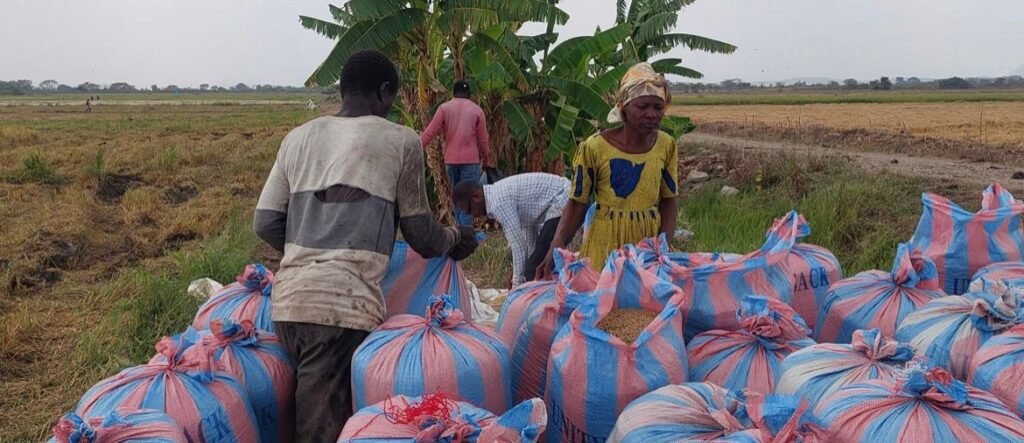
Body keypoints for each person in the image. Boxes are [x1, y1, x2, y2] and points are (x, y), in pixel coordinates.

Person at [253, 50, 479, 442]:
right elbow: (421, 234)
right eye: (392, 99)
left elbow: (266, 221)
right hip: (342, 311)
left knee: (307, 411)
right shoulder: (400, 141)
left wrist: (309, 252)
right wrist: (456, 238)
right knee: (324, 429)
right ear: (385, 91)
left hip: (288, 305)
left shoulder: (297, 138)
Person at [537, 62, 679, 278]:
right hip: (604, 243)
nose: (651, 114)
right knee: (602, 301)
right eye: (642, 107)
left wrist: (663, 248)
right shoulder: (594, 148)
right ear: (623, 107)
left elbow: (669, 200)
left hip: (645, 247)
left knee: (640, 306)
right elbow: (577, 202)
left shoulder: (666, 145)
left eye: (657, 107)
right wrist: (555, 247)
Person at [452, 172, 571, 287]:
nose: (473, 216)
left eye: (469, 210)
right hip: (562, 198)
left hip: (564, 199)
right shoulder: (496, 195)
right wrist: (517, 273)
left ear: (476, 197)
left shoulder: (498, 204)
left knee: (534, 270)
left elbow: (518, 247)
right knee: (533, 266)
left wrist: (516, 285)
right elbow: (529, 235)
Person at [420, 80, 494, 225]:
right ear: (468, 94)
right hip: (470, 161)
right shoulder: (477, 110)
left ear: (453, 93)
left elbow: (430, 132)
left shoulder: (444, 108)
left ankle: (460, 230)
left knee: (457, 196)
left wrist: (417, 147)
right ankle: (465, 233)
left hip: (451, 161)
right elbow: (483, 140)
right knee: (470, 198)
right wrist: (486, 158)